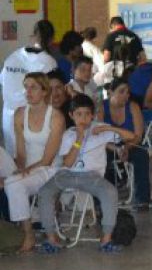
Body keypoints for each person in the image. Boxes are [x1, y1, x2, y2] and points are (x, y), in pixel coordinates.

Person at [37, 94, 136, 253]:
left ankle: (106, 240)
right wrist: (79, 138)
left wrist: (108, 128)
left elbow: (132, 137)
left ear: (92, 115)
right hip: (67, 175)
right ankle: (51, 239)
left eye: (87, 114)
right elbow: (68, 163)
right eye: (78, 114)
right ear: (71, 115)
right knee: (45, 192)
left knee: (110, 192)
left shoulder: (100, 129)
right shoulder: (68, 134)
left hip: (91, 177)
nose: (83, 118)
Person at [4, 73, 65, 252]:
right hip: (29, 168)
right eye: (26, 87)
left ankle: (28, 234)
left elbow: (48, 159)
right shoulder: (20, 114)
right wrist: (20, 168)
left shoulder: (56, 117)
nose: (28, 91)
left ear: (45, 91)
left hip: (49, 169)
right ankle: (24, 229)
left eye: (33, 87)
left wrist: (25, 172)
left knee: (12, 183)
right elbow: (21, 152)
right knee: (11, 177)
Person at [1, 19, 57, 153]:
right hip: (31, 117)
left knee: (12, 161)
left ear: (33, 35)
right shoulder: (49, 62)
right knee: (32, 161)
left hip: (8, 117)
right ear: (51, 39)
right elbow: (52, 93)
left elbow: (3, 82)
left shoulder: (12, 57)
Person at [100, 77, 150, 210]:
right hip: (108, 145)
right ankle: (104, 200)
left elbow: (138, 136)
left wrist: (126, 148)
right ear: (110, 92)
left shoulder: (133, 107)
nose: (125, 96)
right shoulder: (101, 107)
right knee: (101, 158)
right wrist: (116, 149)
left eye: (127, 92)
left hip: (130, 143)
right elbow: (98, 137)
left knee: (142, 155)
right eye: (121, 92)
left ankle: (142, 199)